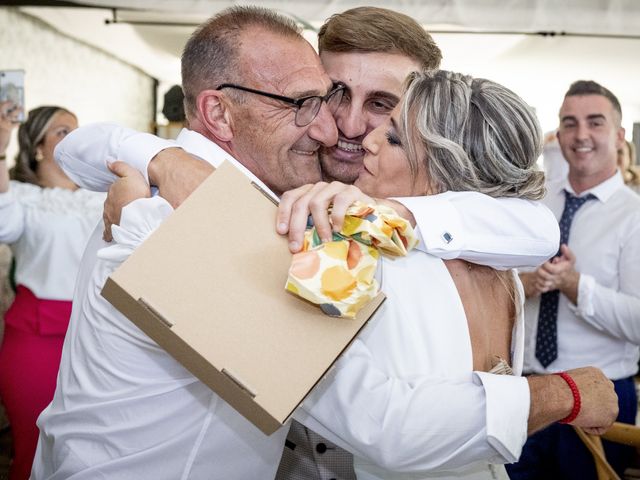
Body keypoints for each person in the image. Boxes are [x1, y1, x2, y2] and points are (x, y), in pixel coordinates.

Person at [32, 7, 611, 480]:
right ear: (219, 112)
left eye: (385, 116)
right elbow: (387, 425)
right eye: (311, 102)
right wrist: (563, 395)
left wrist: (390, 211)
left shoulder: (361, 226)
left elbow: (532, 228)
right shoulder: (182, 224)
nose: (337, 127)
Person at [508, 81, 640, 480]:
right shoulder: (533, 204)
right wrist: (524, 285)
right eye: (570, 123)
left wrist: (574, 285)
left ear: (618, 135)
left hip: (599, 398)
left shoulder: (635, 216)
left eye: (594, 123)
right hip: (526, 392)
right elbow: (494, 283)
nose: (581, 135)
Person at [0, 104, 104, 480]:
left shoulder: (104, 197)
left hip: (99, 338)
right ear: (38, 147)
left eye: (77, 131)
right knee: (34, 450)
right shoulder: (22, 196)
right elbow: (3, 226)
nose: (74, 138)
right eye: (62, 131)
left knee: (90, 455)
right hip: (37, 338)